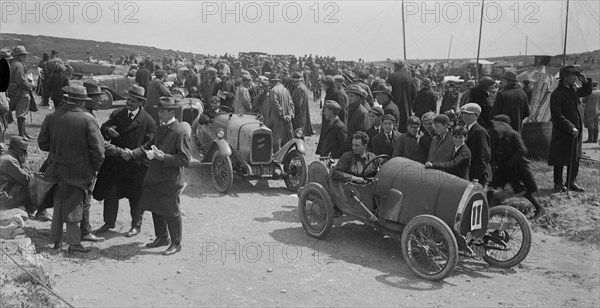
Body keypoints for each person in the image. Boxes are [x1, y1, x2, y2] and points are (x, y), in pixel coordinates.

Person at [38, 85, 105, 253]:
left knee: (58, 203)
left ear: (68, 98)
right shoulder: (88, 119)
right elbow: (100, 151)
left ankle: (56, 241)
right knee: (75, 205)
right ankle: (74, 243)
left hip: (55, 168)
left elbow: (42, 143)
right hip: (79, 171)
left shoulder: (52, 116)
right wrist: (94, 168)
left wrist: (57, 151)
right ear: (82, 101)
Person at [131, 97, 191, 256]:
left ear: (172, 111)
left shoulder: (180, 131)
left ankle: (176, 243)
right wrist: (135, 153)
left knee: (171, 210)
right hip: (156, 176)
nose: (160, 114)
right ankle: (162, 237)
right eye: (159, 111)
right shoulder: (161, 128)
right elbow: (150, 145)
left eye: (163, 111)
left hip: (171, 179)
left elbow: (185, 159)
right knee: (155, 207)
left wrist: (164, 157)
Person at [94, 85, 157, 237]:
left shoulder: (148, 121)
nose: (129, 103)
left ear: (141, 103)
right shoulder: (117, 114)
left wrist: (134, 153)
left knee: (135, 196)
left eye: (133, 101)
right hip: (116, 162)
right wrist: (108, 130)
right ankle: (109, 222)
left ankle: (136, 225)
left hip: (136, 165)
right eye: (128, 99)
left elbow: (150, 143)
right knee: (111, 192)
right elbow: (105, 127)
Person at [489, 115, 546, 218]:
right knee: (491, 187)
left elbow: (522, 150)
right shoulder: (499, 135)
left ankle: (539, 207)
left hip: (517, 168)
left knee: (524, 190)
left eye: (497, 125)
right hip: (503, 169)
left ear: (504, 125)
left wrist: (510, 164)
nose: (495, 128)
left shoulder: (513, 135)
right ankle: (487, 211)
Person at [548, 65, 593, 193]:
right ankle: (558, 183)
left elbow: (586, 92)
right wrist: (570, 127)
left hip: (576, 130)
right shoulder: (557, 94)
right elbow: (557, 115)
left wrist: (585, 81)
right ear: (565, 78)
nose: (575, 78)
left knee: (575, 157)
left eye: (575, 75)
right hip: (563, 130)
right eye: (572, 76)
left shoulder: (573, 90)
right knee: (560, 157)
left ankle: (571, 182)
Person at [0, 136, 34, 214]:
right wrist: (24, 163)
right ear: (16, 149)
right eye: (23, 150)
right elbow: (27, 180)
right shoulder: (10, 160)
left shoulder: (8, 157)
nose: (25, 153)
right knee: (35, 184)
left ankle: (27, 208)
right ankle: (38, 211)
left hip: (4, 193)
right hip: (3, 199)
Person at [460, 103, 491, 185]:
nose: (465, 116)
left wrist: (476, 177)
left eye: (469, 114)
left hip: (475, 176)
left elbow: (483, 156)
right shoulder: (463, 129)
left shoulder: (480, 131)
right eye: (464, 113)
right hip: (464, 173)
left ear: (476, 116)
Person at [8, 46, 34, 141]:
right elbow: (21, 81)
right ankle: (21, 134)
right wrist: (31, 85)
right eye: (23, 55)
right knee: (21, 113)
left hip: (16, 90)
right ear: (19, 56)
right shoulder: (18, 65)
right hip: (21, 91)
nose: (25, 57)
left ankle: (24, 133)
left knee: (22, 113)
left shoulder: (14, 63)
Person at [267, 73, 295, 152]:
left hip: (277, 118)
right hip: (287, 118)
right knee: (286, 137)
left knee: (276, 139)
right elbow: (291, 103)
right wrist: (290, 115)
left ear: (272, 82)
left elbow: (275, 105)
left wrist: (282, 115)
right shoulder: (285, 89)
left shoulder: (273, 91)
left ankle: (277, 158)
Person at [387, 60, 416, 130]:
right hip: (407, 108)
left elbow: (387, 91)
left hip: (395, 107)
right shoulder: (409, 77)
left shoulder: (392, 76)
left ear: (396, 66)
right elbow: (414, 93)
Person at [345, 85, 370, 151]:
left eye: (352, 96)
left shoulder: (363, 112)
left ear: (359, 97)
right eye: (348, 96)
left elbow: (363, 134)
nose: (349, 98)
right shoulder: (349, 109)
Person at [290, 72, 314, 136]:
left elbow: (298, 104)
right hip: (302, 113)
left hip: (299, 114)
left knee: (298, 133)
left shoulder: (299, 89)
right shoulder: (303, 86)